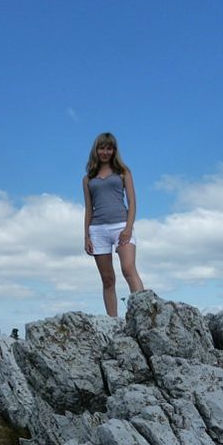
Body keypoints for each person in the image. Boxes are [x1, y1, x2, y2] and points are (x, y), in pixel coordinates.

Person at [83, 132, 144, 317]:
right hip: (98, 230)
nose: (105, 152)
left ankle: (145, 315)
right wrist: (86, 236)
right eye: (102, 148)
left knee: (128, 269)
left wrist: (128, 228)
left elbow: (132, 202)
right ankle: (113, 322)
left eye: (109, 148)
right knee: (108, 279)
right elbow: (88, 209)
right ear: (96, 150)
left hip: (121, 226)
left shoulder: (123, 172)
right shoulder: (88, 179)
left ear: (114, 151)